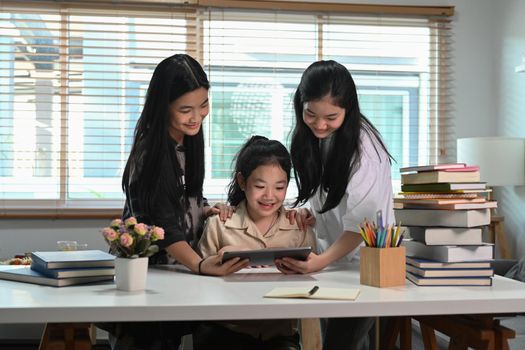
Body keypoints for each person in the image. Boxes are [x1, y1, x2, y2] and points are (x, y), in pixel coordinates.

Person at [100, 54, 249, 350]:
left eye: (204, 104)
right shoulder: (151, 155)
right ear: (163, 106)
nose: (197, 116)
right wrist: (202, 265)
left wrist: (205, 209)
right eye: (186, 109)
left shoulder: (186, 139)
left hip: (175, 275)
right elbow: (164, 226)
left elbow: (183, 197)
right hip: (148, 278)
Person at [276, 60, 395, 350]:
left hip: (365, 263)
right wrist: (312, 215)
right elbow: (332, 199)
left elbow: (361, 225)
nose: (319, 124)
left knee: (342, 342)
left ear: (348, 110)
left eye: (331, 116)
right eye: (310, 114)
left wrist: (321, 261)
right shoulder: (319, 137)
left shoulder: (365, 150)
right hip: (335, 260)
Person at [194, 135, 316, 350]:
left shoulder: (298, 227)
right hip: (225, 330)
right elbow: (199, 282)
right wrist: (221, 257)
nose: (269, 196)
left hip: (277, 334)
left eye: (279, 187)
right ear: (242, 182)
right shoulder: (219, 224)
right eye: (260, 186)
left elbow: (312, 284)